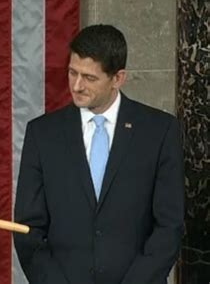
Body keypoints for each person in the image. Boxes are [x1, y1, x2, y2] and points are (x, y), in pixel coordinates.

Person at [14, 24, 184, 284]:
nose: (77, 86)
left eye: (89, 77)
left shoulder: (159, 131)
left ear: (118, 78)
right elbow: (28, 229)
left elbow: (169, 227)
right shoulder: (42, 134)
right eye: (73, 73)